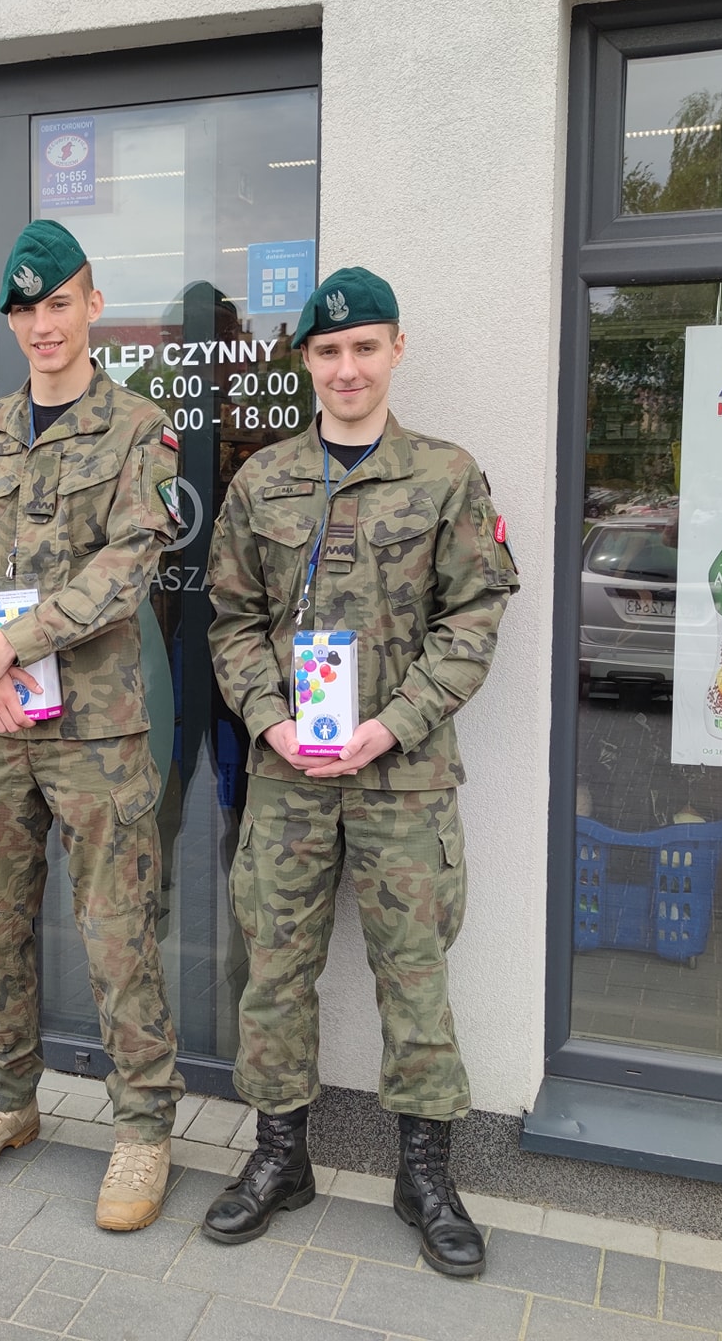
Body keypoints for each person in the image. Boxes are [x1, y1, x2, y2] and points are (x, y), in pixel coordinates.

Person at [201, 267, 517, 1277]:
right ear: (305, 361)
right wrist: (267, 721)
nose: (346, 368)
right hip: (289, 774)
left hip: (401, 774)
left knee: (412, 972)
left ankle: (424, 1172)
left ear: (393, 350)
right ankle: (278, 1157)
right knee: (273, 971)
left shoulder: (445, 475)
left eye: (363, 348)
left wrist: (393, 725)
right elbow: (231, 622)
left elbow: (473, 619)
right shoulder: (261, 482)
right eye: (327, 351)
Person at [0, 219, 187, 1231]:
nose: (42, 326)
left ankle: (142, 1128)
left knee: (117, 933)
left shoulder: (134, 428)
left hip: (97, 731)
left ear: (90, 306)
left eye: (57, 304)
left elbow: (128, 566)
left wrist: (12, 643)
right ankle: (2, 1099)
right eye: (25, 310)